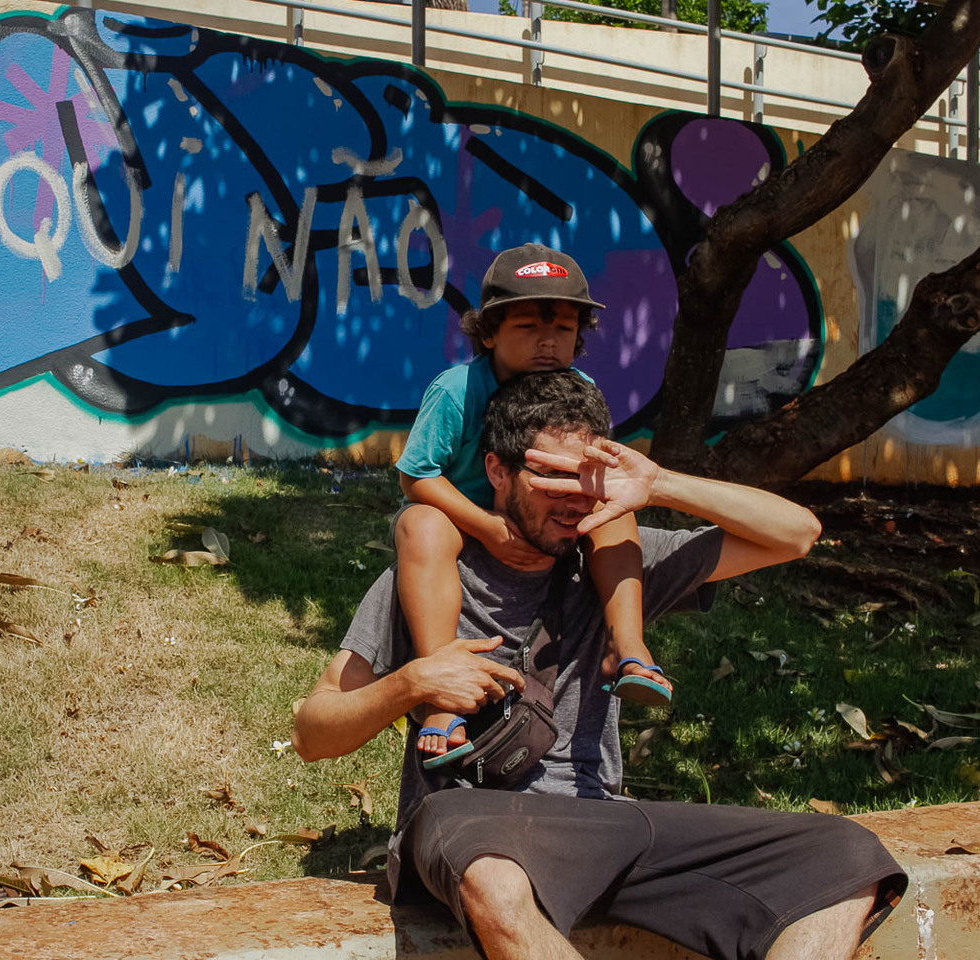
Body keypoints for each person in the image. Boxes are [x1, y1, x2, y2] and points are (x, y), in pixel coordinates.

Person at [294, 371, 906, 960]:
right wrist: (411, 683)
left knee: (847, 857)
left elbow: (795, 534)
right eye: (554, 478)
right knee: (498, 879)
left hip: (602, 821)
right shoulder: (423, 578)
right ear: (497, 474)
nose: (576, 500)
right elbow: (312, 732)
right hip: (468, 822)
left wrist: (659, 482)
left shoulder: (616, 566)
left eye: (589, 478)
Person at [395, 243, 665, 767]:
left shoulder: (579, 390)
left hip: (550, 516)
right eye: (527, 328)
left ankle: (628, 648)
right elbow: (416, 476)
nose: (547, 342)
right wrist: (489, 528)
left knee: (617, 516)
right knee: (419, 526)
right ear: (489, 332)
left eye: (563, 329)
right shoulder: (457, 390)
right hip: (464, 515)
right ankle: (439, 690)